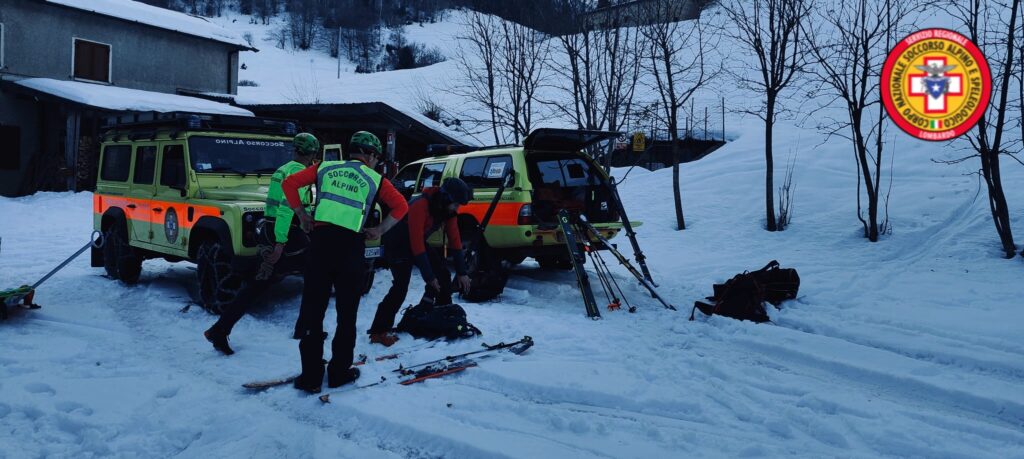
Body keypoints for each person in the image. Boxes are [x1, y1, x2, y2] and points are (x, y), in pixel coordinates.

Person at [282, 131, 409, 393]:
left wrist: (303, 215)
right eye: (376, 158)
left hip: (319, 245)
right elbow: (401, 207)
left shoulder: (325, 167)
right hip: (350, 250)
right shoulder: (375, 178)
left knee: (312, 312)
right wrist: (380, 230)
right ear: (371, 155)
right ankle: (339, 372)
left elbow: (289, 184)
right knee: (346, 314)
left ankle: (311, 377)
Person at [203, 132, 319, 356]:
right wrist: (280, 243)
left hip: (270, 229)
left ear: (295, 149)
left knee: (258, 283)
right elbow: (287, 209)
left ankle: (220, 329)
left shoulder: (283, 169)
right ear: (312, 154)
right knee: (314, 278)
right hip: (287, 234)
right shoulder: (298, 172)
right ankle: (304, 329)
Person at [368, 177, 474, 346]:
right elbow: (417, 246)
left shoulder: (448, 210)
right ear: (446, 197)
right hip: (397, 242)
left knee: (443, 275)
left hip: (416, 241)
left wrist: (462, 272)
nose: (457, 208)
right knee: (400, 287)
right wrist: (429, 277)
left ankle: (441, 316)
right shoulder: (420, 205)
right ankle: (378, 331)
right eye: (456, 204)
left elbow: (455, 240)